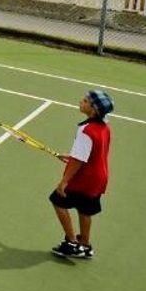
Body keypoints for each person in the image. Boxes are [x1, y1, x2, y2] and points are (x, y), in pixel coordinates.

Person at [50, 89, 113, 260]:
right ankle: (85, 245)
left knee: (57, 200)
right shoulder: (105, 128)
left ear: (93, 110)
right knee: (85, 210)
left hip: (84, 179)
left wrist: (64, 181)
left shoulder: (86, 130)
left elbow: (79, 159)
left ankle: (71, 243)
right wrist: (71, 157)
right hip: (99, 178)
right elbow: (92, 153)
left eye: (85, 101)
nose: (81, 101)